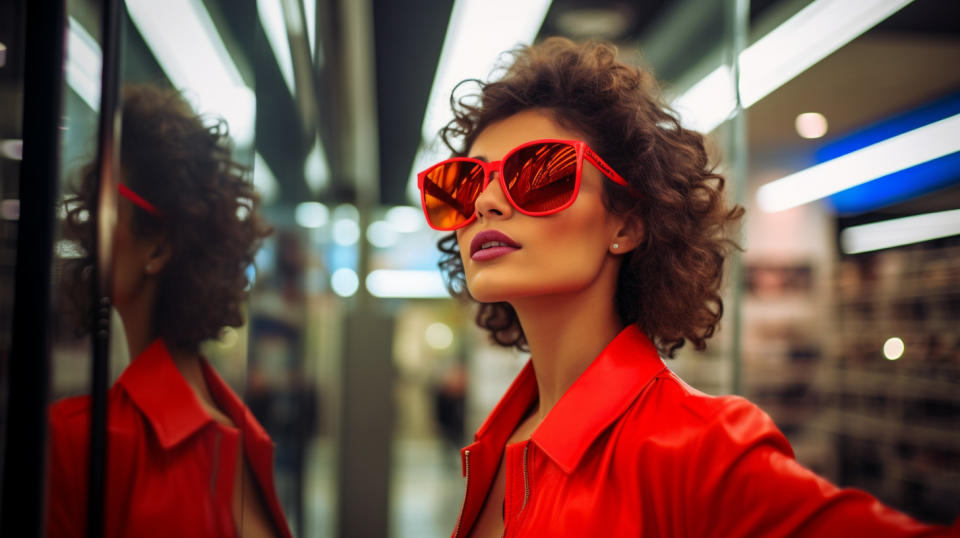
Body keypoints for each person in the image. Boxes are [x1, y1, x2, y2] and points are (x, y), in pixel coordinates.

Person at [416, 38, 960, 537]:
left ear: (626, 224)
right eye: (465, 181)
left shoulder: (703, 450)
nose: (486, 202)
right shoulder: (499, 440)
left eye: (539, 173)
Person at [46, 84, 290, 538]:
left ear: (157, 245)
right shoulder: (241, 432)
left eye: (103, 203)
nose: (82, 221)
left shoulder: (83, 439)